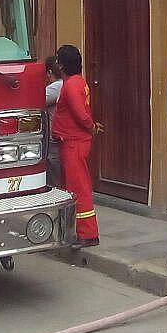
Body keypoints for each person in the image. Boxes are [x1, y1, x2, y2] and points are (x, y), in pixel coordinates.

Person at [51, 44, 101, 248]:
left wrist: (90, 126)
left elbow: (80, 114)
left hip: (73, 143)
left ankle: (88, 234)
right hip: (73, 142)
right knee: (74, 187)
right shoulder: (79, 82)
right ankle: (76, 230)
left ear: (61, 65)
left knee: (79, 187)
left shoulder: (70, 86)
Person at [44, 56, 64, 187]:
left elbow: (37, 100)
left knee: (53, 166)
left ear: (50, 73)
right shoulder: (64, 84)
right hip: (60, 134)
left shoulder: (55, 88)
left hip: (53, 135)